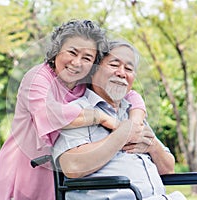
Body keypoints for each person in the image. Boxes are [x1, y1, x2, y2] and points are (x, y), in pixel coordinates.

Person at [0, 20, 147, 200]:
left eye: (87, 58)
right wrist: (102, 118)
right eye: (72, 52)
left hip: (60, 168)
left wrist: (135, 124)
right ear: (57, 49)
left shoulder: (84, 80)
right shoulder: (38, 77)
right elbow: (48, 114)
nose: (77, 62)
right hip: (25, 164)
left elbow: (131, 94)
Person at [52, 40, 187, 200]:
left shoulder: (134, 113)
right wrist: (121, 136)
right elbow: (72, 166)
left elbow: (168, 169)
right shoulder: (79, 111)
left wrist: (153, 146)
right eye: (114, 65)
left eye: (128, 69)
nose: (122, 73)